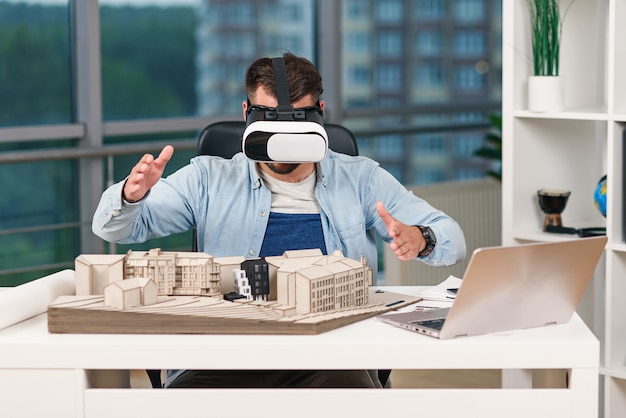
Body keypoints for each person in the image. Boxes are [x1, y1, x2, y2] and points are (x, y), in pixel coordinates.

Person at [92, 52, 466, 389]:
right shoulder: (208, 178)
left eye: (297, 119)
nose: (283, 135)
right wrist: (131, 195)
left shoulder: (361, 178)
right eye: (268, 119)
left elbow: (453, 239)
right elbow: (113, 228)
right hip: (223, 354)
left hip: (329, 356)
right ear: (246, 114)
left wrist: (421, 238)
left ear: (319, 112)